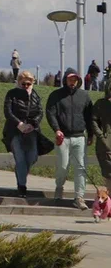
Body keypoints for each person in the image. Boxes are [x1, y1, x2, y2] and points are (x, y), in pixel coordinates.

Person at [46, 67, 95, 209]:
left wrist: (91, 134)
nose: (72, 82)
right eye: (70, 79)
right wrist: (56, 130)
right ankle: (59, 187)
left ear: (78, 81)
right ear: (65, 80)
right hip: (63, 137)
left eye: (75, 79)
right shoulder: (56, 95)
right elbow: (51, 113)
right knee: (63, 166)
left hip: (80, 137)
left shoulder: (84, 96)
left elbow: (89, 116)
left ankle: (79, 197)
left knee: (81, 167)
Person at [3, 71, 48, 195]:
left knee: (32, 157)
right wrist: (20, 124)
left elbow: (40, 112)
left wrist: (32, 124)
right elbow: (8, 112)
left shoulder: (35, 95)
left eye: (29, 83)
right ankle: (22, 186)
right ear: (19, 82)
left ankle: (20, 174)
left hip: (32, 131)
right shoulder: (11, 94)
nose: (26, 86)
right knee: (21, 159)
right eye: (24, 83)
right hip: (15, 131)